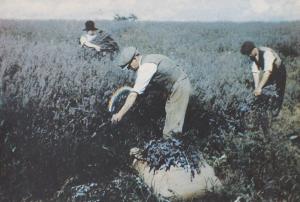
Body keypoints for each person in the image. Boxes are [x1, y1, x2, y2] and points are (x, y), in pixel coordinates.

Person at [111, 47, 192, 139]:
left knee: (171, 131)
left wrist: (119, 114)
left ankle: (174, 148)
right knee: (171, 119)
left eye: (129, 66)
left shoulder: (146, 68)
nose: (129, 69)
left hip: (179, 87)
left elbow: (133, 95)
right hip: (177, 85)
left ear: (134, 59)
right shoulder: (149, 59)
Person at [240, 41, 286, 117]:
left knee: (279, 91)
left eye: (249, 53)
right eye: (247, 54)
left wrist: (259, 87)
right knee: (264, 89)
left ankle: (277, 113)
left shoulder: (266, 53)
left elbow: (267, 72)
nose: (249, 56)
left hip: (279, 71)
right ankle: (267, 109)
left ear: (254, 49)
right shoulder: (253, 56)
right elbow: (255, 72)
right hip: (271, 71)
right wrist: (257, 87)